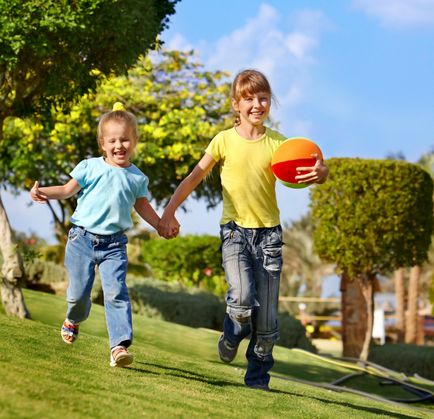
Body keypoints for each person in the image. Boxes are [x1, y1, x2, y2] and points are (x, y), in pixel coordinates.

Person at [158, 69, 328, 390]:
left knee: (266, 324)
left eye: (263, 97)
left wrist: (321, 172)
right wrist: (169, 211)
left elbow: (311, 168)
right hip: (235, 232)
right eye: (249, 98)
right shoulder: (223, 140)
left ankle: (257, 381)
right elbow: (194, 176)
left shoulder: (278, 142)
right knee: (242, 296)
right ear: (236, 104)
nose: (257, 104)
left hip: (270, 237)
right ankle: (232, 331)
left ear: (269, 102)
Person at [30, 102, 172, 367]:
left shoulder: (137, 177)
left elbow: (142, 206)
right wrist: (42, 191)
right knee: (78, 295)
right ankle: (73, 319)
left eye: (125, 140)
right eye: (113, 141)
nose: (119, 145)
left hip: (114, 245)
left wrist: (161, 224)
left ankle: (119, 346)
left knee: (116, 291)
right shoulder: (90, 167)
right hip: (81, 240)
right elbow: (66, 190)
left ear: (135, 142)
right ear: (103, 144)